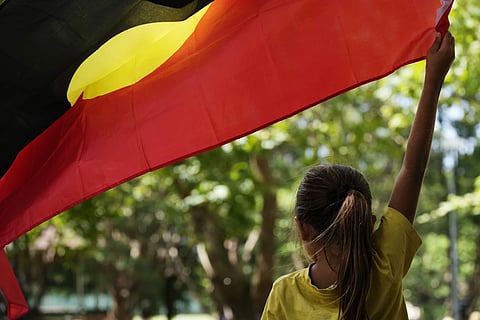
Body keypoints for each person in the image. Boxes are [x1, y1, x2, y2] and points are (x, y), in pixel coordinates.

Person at [261, 31, 455, 320]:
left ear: (301, 229)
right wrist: (433, 79)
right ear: (368, 222)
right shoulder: (385, 266)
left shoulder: (284, 296)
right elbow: (412, 171)